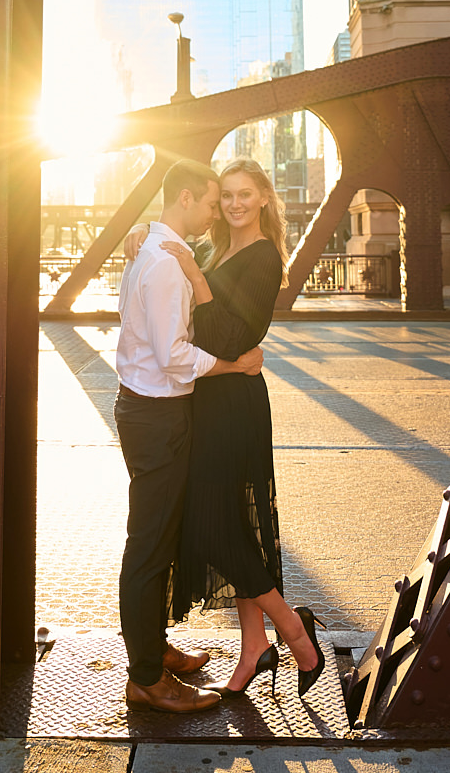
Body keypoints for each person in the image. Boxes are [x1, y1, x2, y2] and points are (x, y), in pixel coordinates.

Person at [128, 158, 326, 700]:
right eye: (226, 197)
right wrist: (144, 229)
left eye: (244, 194)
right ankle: (253, 645)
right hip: (204, 400)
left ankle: (291, 629)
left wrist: (196, 279)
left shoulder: (264, 258)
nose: (234, 204)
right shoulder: (217, 246)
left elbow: (229, 337)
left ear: (265, 197)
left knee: (213, 527)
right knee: (234, 526)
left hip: (232, 403)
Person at [115, 158, 265, 715]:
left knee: (162, 538)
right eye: (209, 202)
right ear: (184, 198)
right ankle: (147, 678)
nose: (214, 212)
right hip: (156, 416)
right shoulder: (160, 264)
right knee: (150, 548)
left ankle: (154, 649)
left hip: (154, 413)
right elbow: (174, 358)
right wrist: (236, 365)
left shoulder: (160, 251)